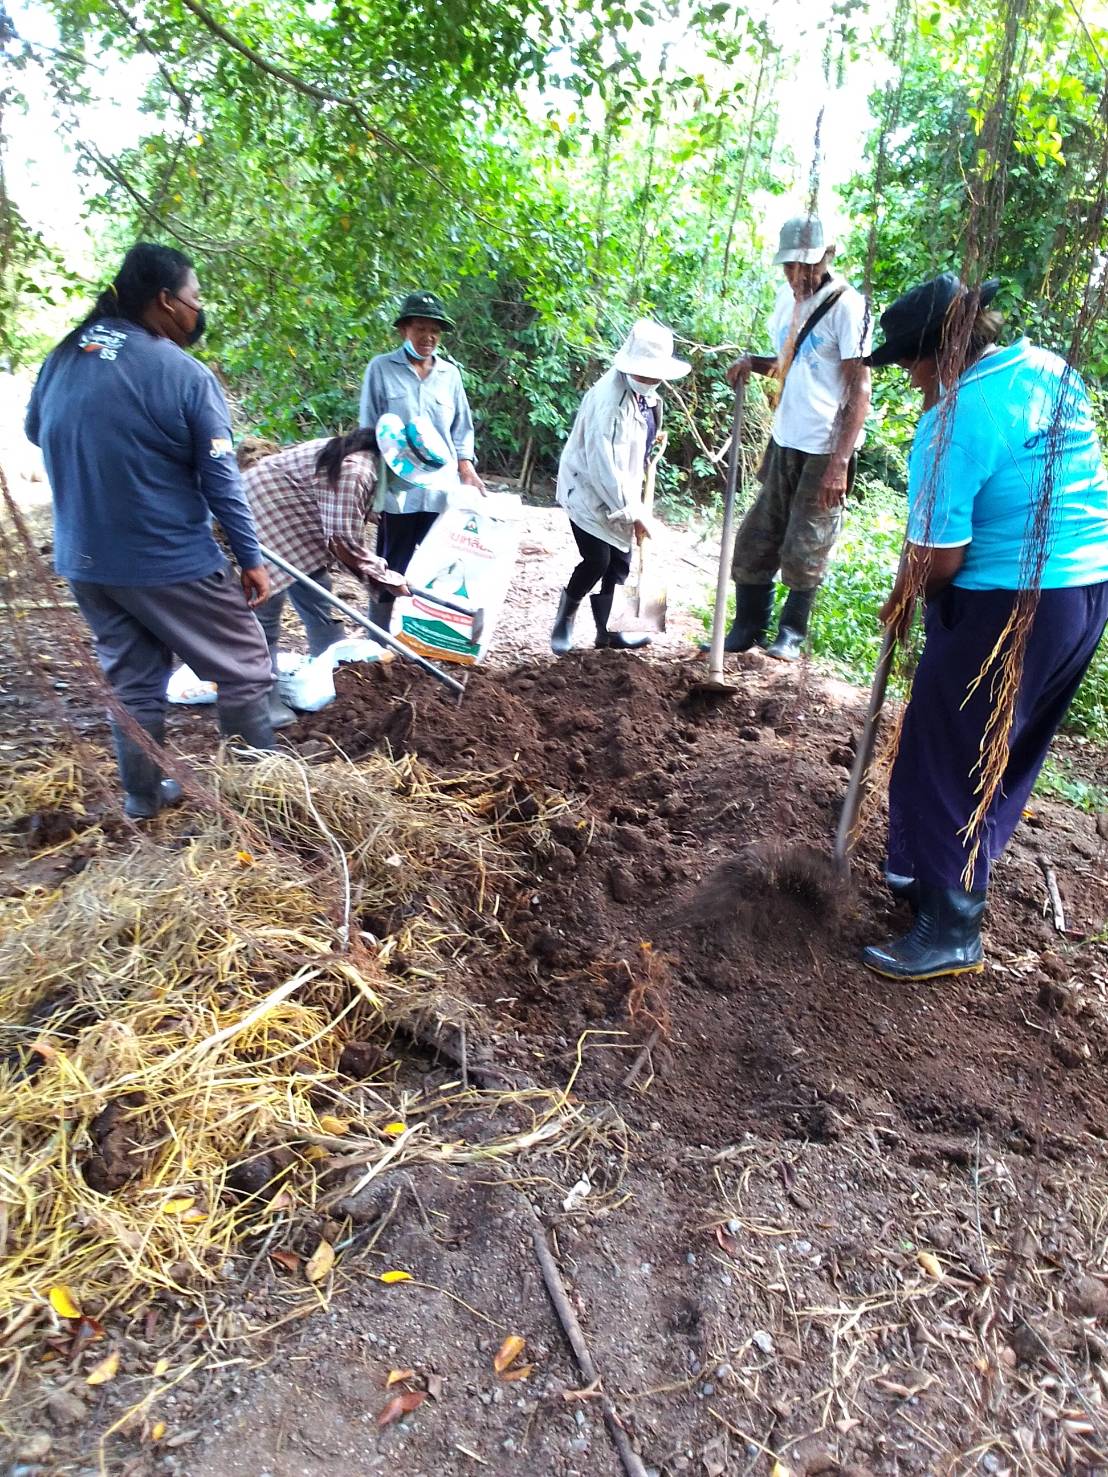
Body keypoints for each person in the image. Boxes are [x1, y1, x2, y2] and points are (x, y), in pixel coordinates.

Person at [861, 273, 1108, 980]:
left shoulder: (955, 421)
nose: (909, 379)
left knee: (943, 750)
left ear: (942, 353)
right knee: (1004, 746)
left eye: (910, 361)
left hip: (1010, 607)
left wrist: (905, 594)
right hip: (1085, 593)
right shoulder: (1047, 369)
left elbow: (939, 557)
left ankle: (951, 927)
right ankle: (928, 876)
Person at [24, 242, 278, 819]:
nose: (199, 310)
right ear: (165, 301)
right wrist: (251, 559)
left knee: (134, 679)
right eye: (195, 298)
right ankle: (268, 800)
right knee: (244, 663)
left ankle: (141, 798)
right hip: (167, 558)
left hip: (86, 561)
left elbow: (39, 432)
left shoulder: (65, 356)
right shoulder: (183, 375)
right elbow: (222, 481)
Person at [719, 215, 872, 659]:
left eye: (804, 266)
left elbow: (858, 386)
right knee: (757, 536)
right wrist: (754, 362)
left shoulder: (848, 306)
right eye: (789, 267)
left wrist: (841, 461)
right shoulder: (785, 303)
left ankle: (791, 632)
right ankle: (748, 626)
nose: (796, 276)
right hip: (785, 438)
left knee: (807, 541)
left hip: (826, 447)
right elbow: (795, 363)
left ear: (827, 257)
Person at [551, 319, 690, 655]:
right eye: (645, 373)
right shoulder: (608, 403)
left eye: (656, 375)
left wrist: (649, 441)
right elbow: (602, 467)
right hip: (587, 489)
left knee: (621, 563)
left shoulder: (650, 398)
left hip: (624, 488)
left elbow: (636, 437)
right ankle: (564, 619)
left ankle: (611, 631)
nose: (652, 380)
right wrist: (633, 513)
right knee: (597, 559)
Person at [242, 431, 405, 698]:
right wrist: (386, 578)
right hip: (261, 508)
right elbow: (343, 544)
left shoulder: (367, 463)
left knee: (316, 590)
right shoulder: (357, 471)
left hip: (292, 515)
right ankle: (262, 701)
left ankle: (334, 674)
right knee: (266, 603)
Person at [358, 290, 484, 630]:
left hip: (441, 490)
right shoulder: (381, 369)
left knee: (440, 567)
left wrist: (466, 466)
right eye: (419, 329)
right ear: (404, 330)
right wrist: (368, 489)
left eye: (435, 331)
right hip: (398, 491)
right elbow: (368, 428)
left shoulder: (450, 375)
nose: (428, 337)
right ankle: (376, 639)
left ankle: (430, 637)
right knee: (389, 566)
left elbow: (461, 428)